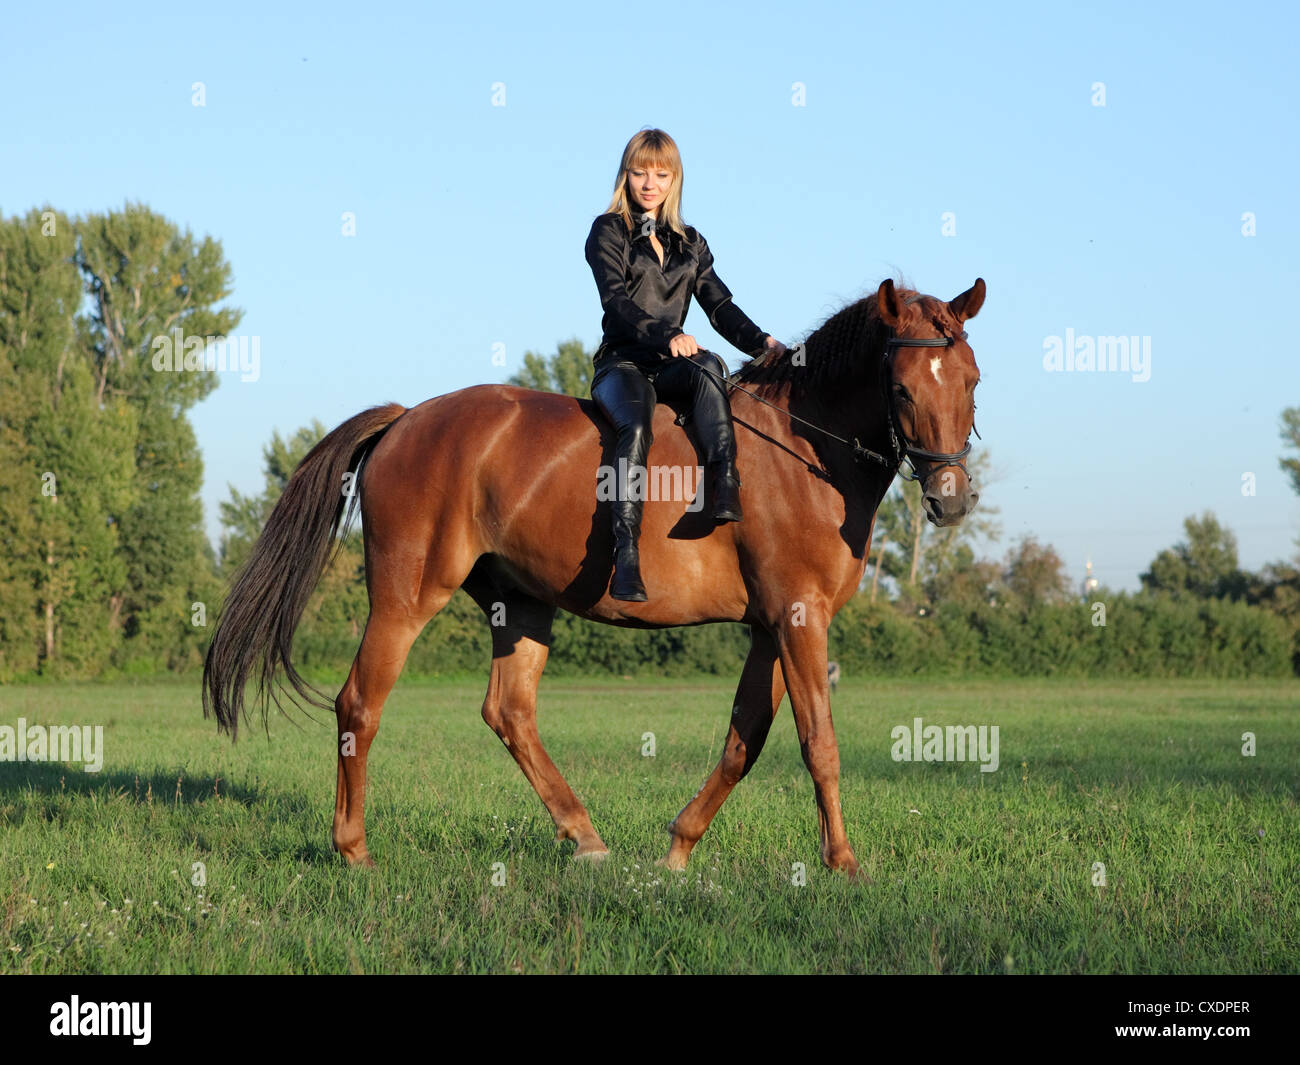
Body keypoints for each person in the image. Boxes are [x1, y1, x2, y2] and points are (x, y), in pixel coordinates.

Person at [585, 128, 786, 601]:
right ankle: (626, 553)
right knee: (634, 429)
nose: (649, 183)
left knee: (711, 366)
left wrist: (764, 343)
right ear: (626, 175)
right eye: (640, 173)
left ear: (674, 179)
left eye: (660, 173)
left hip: (673, 364)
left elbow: (719, 307)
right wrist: (668, 334)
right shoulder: (608, 230)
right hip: (624, 365)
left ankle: (725, 485)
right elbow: (616, 302)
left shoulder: (691, 243)